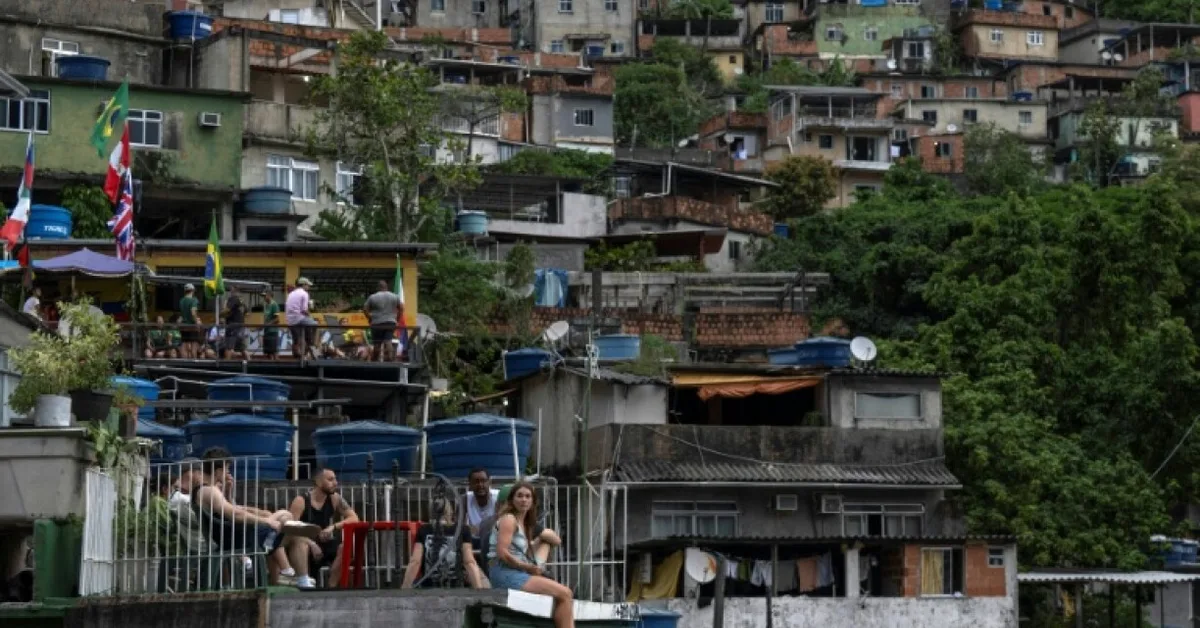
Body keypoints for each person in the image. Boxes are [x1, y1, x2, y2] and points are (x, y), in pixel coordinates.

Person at [189, 447, 299, 585]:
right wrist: (266, 521)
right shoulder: (210, 491)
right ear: (218, 471)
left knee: (284, 517)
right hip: (235, 537)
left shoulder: (205, 490)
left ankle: (273, 553)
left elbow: (229, 510)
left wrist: (228, 492)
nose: (228, 473)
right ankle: (275, 555)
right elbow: (235, 514)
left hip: (232, 533)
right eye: (227, 469)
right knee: (285, 516)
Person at [489, 482, 573, 627]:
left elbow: (527, 550)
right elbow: (502, 553)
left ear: (533, 501)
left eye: (528, 496)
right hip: (504, 572)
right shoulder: (509, 519)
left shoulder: (526, 523)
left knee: (564, 594)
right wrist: (528, 567)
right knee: (565, 593)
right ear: (512, 499)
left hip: (518, 571)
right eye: (519, 496)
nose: (524, 500)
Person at [285, 467, 359, 590]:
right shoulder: (301, 501)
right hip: (304, 542)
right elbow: (291, 529)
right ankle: (304, 582)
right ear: (318, 482)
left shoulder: (335, 498)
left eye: (335, 479)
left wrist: (333, 527)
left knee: (345, 547)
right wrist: (311, 543)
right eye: (330, 479)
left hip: (323, 540)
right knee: (300, 544)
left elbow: (354, 518)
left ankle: (331, 586)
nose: (335, 483)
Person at [401, 496, 484, 589]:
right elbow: (469, 562)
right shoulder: (463, 530)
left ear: (431, 512)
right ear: (450, 511)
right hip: (456, 588)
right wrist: (479, 589)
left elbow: (415, 562)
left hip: (428, 589)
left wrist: (404, 589)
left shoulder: (424, 530)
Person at [363, 280, 401, 362]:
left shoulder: (372, 297)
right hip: (390, 322)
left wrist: (370, 318)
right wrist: (397, 319)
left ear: (378, 287)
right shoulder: (395, 296)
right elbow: (401, 308)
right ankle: (391, 359)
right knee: (388, 340)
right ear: (386, 287)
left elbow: (365, 309)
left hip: (377, 323)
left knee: (377, 342)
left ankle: (375, 360)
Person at [286, 278, 318, 360]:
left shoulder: (291, 293)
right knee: (315, 324)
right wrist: (310, 315)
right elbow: (304, 310)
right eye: (308, 285)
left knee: (296, 339)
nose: (309, 287)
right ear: (303, 285)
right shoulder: (304, 293)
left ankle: (298, 355)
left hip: (290, 320)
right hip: (299, 318)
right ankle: (312, 343)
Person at [462, 468, 498, 539]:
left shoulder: (498, 497)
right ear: (470, 484)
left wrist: (480, 529)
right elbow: (458, 526)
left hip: (494, 539)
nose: (480, 485)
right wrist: (467, 529)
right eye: (476, 482)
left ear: (489, 482)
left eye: (483, 481)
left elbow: (502, 523)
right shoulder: (465, 499)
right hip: (473, 540)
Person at [223, 285, 248, 361]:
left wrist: (219, 314)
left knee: (229, 347)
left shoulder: (233, 298)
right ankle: (249, 361)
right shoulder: (242, 300)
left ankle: (227, 364)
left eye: (231, 290)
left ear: (233, 290)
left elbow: (227, 310)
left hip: (233, 325)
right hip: (241, 326)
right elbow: (247, 313)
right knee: (242, 348)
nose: (230, 291)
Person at [179, 284, 201, 359]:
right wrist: (197, 322)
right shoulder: (194, 300)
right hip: (192, 327)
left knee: (184, 345)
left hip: (183, 326)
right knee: (193, 347)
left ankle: (184, 363)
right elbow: (193, 312)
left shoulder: (181, 300)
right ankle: (194, 363)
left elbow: (182, 314)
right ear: (193, 290)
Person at [262, 290, 281, 361]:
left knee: (274, 351)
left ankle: (277, 364)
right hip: (267, 331)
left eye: (265, 296)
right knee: (268, 352)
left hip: (273, 331)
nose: (264, 297)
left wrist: (268, 324)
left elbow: (277, 319)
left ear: (270, 296)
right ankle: (271, 363)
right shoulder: (266, 305)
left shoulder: (274, 304)